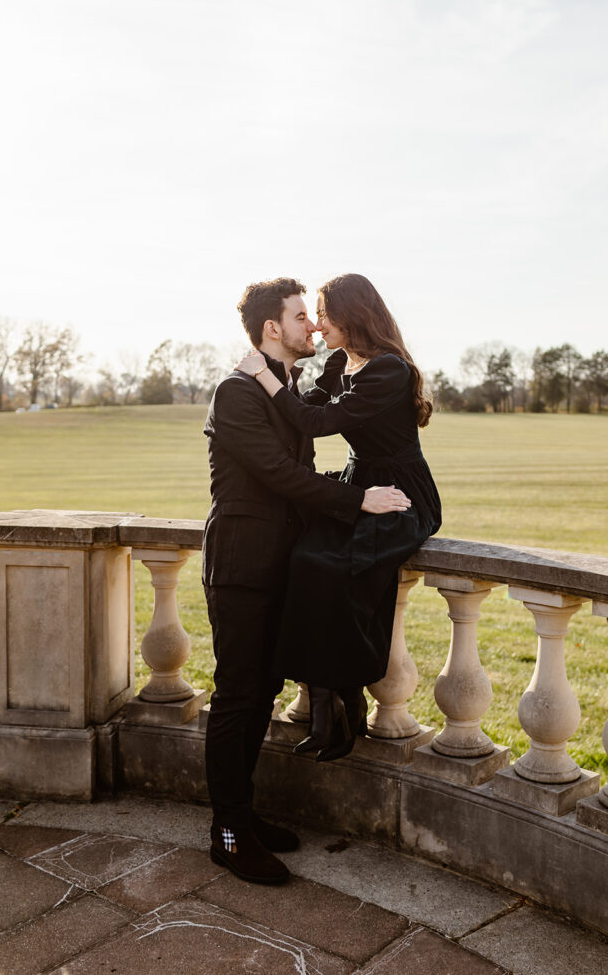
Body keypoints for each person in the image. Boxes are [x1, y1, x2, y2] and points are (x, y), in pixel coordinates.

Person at [203, 276, 411, 886]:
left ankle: (242, 814)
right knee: (238, 696)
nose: (314, 327)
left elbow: (307, 456)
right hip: (242, 564)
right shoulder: (235, 392)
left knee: (264, 692)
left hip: (283, 563)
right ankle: (229, 832)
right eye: (302, 317)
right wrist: (357, 500)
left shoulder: (290, 387)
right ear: (274, 328)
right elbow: (274, 473)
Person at [236, 273, 442, 762]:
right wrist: (280, 384)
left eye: (325, 313)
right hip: (357, 485)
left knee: (335, 569)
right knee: (307, 560)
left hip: (398, 494)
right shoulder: (338, 362)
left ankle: (345, 705)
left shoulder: (388, 369)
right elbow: (305, 408)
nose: (318, 324)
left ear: (353, 315)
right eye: (314, 315)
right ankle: (329, 706)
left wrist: (262, 376)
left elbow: (316, 423)